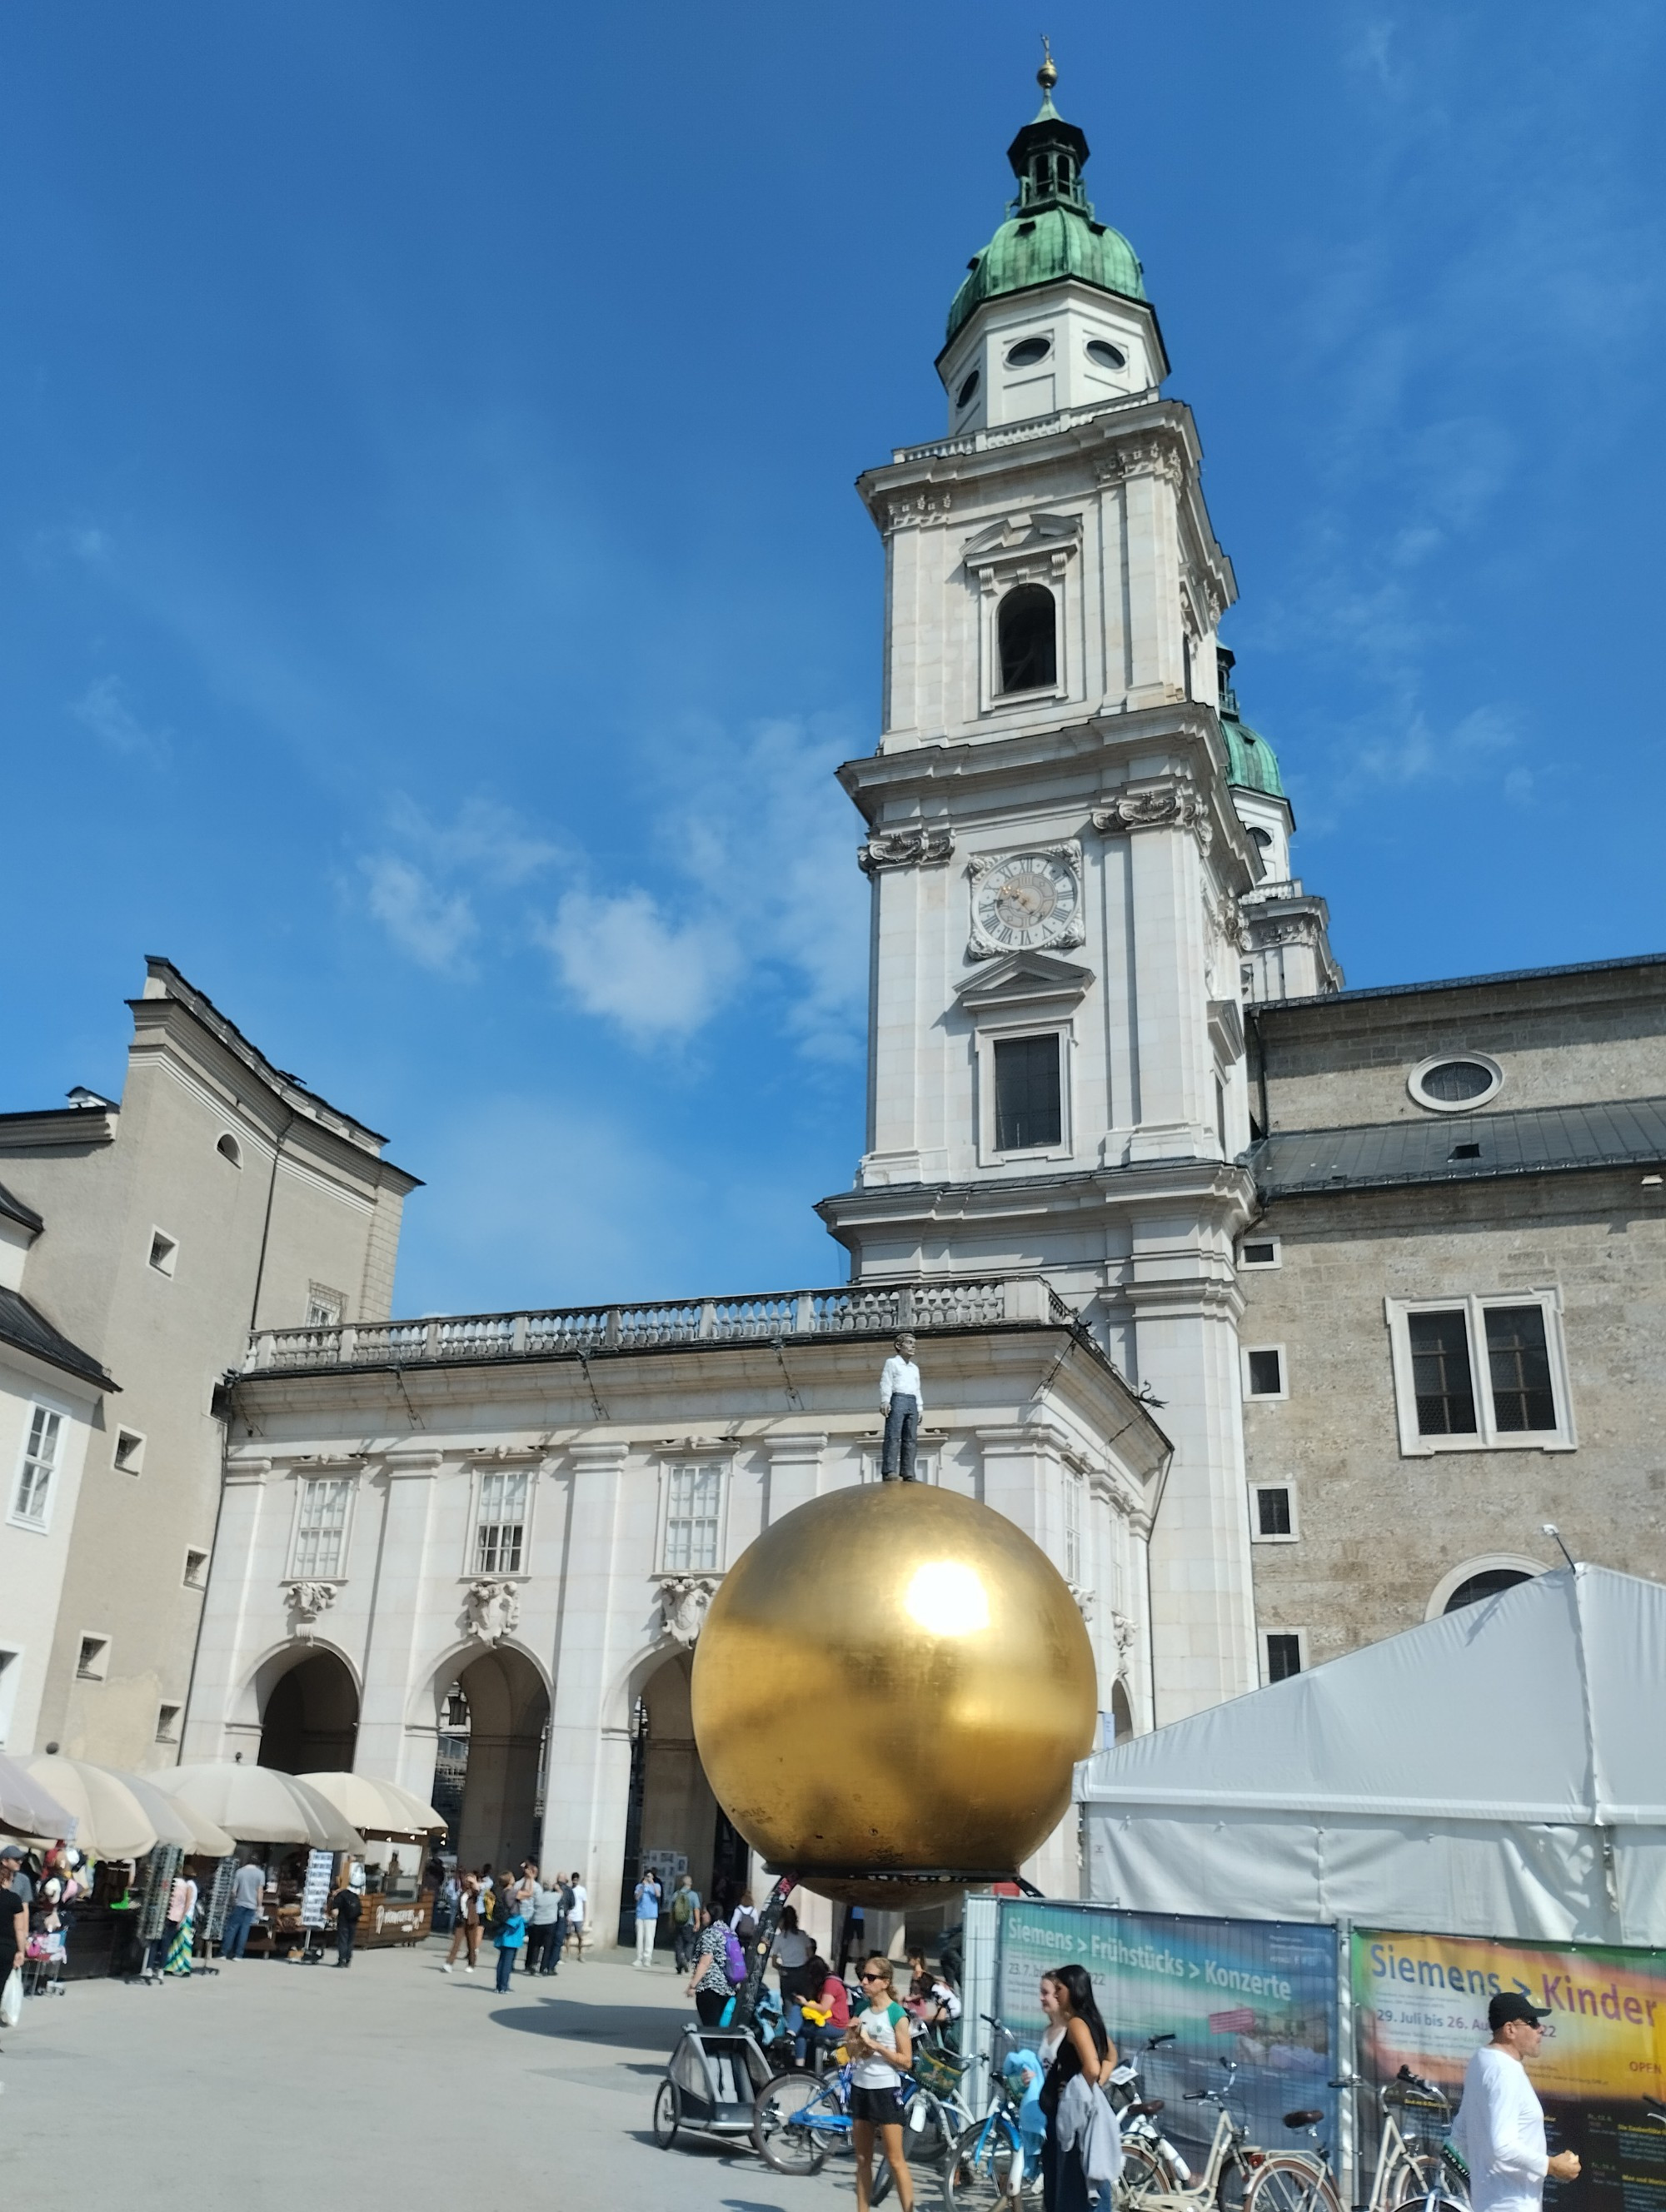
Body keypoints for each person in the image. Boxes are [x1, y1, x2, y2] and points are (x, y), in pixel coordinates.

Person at [1451, 1993, 1581, 2212]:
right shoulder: (1505, 2072)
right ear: (1510, 2030)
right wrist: (1552, 2166)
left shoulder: (1481, 2060)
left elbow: (1460, 2134)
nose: (1540, 2029)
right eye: (1532, 2022)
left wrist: (1486, 2183)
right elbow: (1502, 2146)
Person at [1037, 1964, 1116, 2212]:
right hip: (1081, 2116)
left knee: (1074, 2189)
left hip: (1076, 2122)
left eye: (1059, 1989)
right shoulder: (1091, 2020)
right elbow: (1110, 2057)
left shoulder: (1077, 2024)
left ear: (1073, 1989)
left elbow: (1092, 2067)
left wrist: (1077, 2090)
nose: (1056, 1994)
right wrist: (1093, 2087)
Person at [850, 1955, 915, 2212]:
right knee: (863, 2158)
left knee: (895, 2159)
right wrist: (854, 2038)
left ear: (885, 1982)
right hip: (860, 2085)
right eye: (863, 1977)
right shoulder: (861, 2010)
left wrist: (876, 2045)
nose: (864, 1982)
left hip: (886, 2089)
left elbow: (906, 2061)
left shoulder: (897, 2015)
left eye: (871, 1978)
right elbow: (855, 2052)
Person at [792, 1951, 850, 2069]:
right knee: (805, 2026)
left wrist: (805, 2003)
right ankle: (806, 2063)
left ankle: (799, 2066)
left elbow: (824, 2008)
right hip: (833, 2023)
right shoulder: (830, 1980)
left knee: (800, 2031)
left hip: (836, 2025)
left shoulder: (830, 1983)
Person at [880, 1332, 922, 1480]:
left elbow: (917, 1389)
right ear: (899, 1345)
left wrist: (920, 1408)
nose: (913, 1346)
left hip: (912, 1401)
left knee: (910, 1439)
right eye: (909, 1343)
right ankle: (889, 1470)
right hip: (897, 1399)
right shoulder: (892, 1363)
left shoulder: (914, 1368)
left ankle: (908, 1472)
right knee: (893, 1436)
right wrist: (885, 1400)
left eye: (914, 1343)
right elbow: (886, 1382)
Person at [685, 1905, 732, 2026]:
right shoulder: (728, 1931)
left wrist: (693, 1985)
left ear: (712, 1914)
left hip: (710, 1986)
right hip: (726, 1986)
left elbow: (705, 1962)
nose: (702, 1915)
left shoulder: (710, 1934)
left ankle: (711, 2045)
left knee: (710, 2024)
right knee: (720, 2023)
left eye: (705, 1913)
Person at [222, 1856, 265, 1960]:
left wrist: (233, 1901)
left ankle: (224, 1953)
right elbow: (260, 1891)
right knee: (244, 1929)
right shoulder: (260, 1874)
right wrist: (259, 1906)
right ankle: (238, 1955)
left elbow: (233, 1890)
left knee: (232, 1928)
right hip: (252, 1905)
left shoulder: (239, 1872)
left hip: (239, 1903)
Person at [441, 1868, 482, 1973]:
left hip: (472, 1920)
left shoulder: (473, 1893)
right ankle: (449, 1963)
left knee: (471, 1943)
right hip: (461, 1920)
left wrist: (474, 1881)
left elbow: (478, 1889)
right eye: (466, 1881)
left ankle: (472, 1964)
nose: (467, 1883)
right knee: (457, 1942)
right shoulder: (462, 1892)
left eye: (469, 1882)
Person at [772, 1904, 815, 2005]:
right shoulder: (803, 1935)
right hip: (802, 1973)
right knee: (804, 2004)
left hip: (786, 1974)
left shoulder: (779, 1938)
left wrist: (781, 1968)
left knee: (787, 2006)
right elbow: (811, 1957)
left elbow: (774, 1963)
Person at [491, 1871, 526, 1992]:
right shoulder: (512, 1893)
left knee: (502, 1958)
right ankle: (503, 1986)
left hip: (504, 1925)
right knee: (508, 1958)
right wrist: (530, 1878)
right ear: (509, 1880)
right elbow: (529, 1894)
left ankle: (499, 1985)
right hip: (513, 1925)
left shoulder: (502, 1893)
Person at [162, 1865, 199, 1977]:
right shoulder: (193, 1885)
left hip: (186, 1916)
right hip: (188, 1915)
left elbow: (187, 1903)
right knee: (179, 1942)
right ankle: (173, 1966)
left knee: (182, 1942)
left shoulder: (189, 1886)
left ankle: (184, 1968)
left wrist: (182, 1918)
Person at [526, 1872, 562, 1975]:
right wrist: (557, 1887)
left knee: (536, 1945)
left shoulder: (538, 1897)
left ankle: (533, 1964)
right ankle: (544, 1967)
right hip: (549, 1923)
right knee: (547, 1946)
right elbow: (561, 1893)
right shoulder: (554, 1896)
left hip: (538, 1922)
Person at [671, 1872, 702, 1973]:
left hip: (678, 1923)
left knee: (678, 1943)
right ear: (690, 1884)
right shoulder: (693, 1895)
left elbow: (672, 1910)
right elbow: (696, 1909)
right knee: (690, 1942)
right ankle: (686, 1958)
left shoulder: (676, 1894)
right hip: (689, 1923)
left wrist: (671, 1922)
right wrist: (697, 1922)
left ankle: (680, 1961)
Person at [633, 1866, 662, 1968]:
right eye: (647, 1876)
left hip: (651, 1915)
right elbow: (637, 1897)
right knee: (640, 1937)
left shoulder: (657, 1886)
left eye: (650, 1876)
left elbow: (658, 1895)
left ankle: (647, 1958)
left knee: (649, 1938)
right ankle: (639, 1958)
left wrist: (652, 1883)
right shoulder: (639, 1886)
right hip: (641, 1914)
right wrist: (643, 1887)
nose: (648, 1878)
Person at [331, 1874, 362, 1967]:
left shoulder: (340, 1896)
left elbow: (334, 1912)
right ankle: (348, 1961)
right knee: (350, 1941)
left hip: (344, 1921)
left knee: (343, 1940)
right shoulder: (354, 1896)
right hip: (354, 1921)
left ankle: (341, 1961)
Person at [566, 1872, 587, 1960]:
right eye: (573, 1880)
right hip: (570, 1915)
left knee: (580, 1936)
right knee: (568, 1936)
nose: (574, 1881)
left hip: (578, 1916)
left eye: (576, 1880)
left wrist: (584, 1916)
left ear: (578, 1880)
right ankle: (567, 1954)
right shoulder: (569, 1889)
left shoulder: (582, 1890)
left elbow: (584, 1903)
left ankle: (580, 1954)